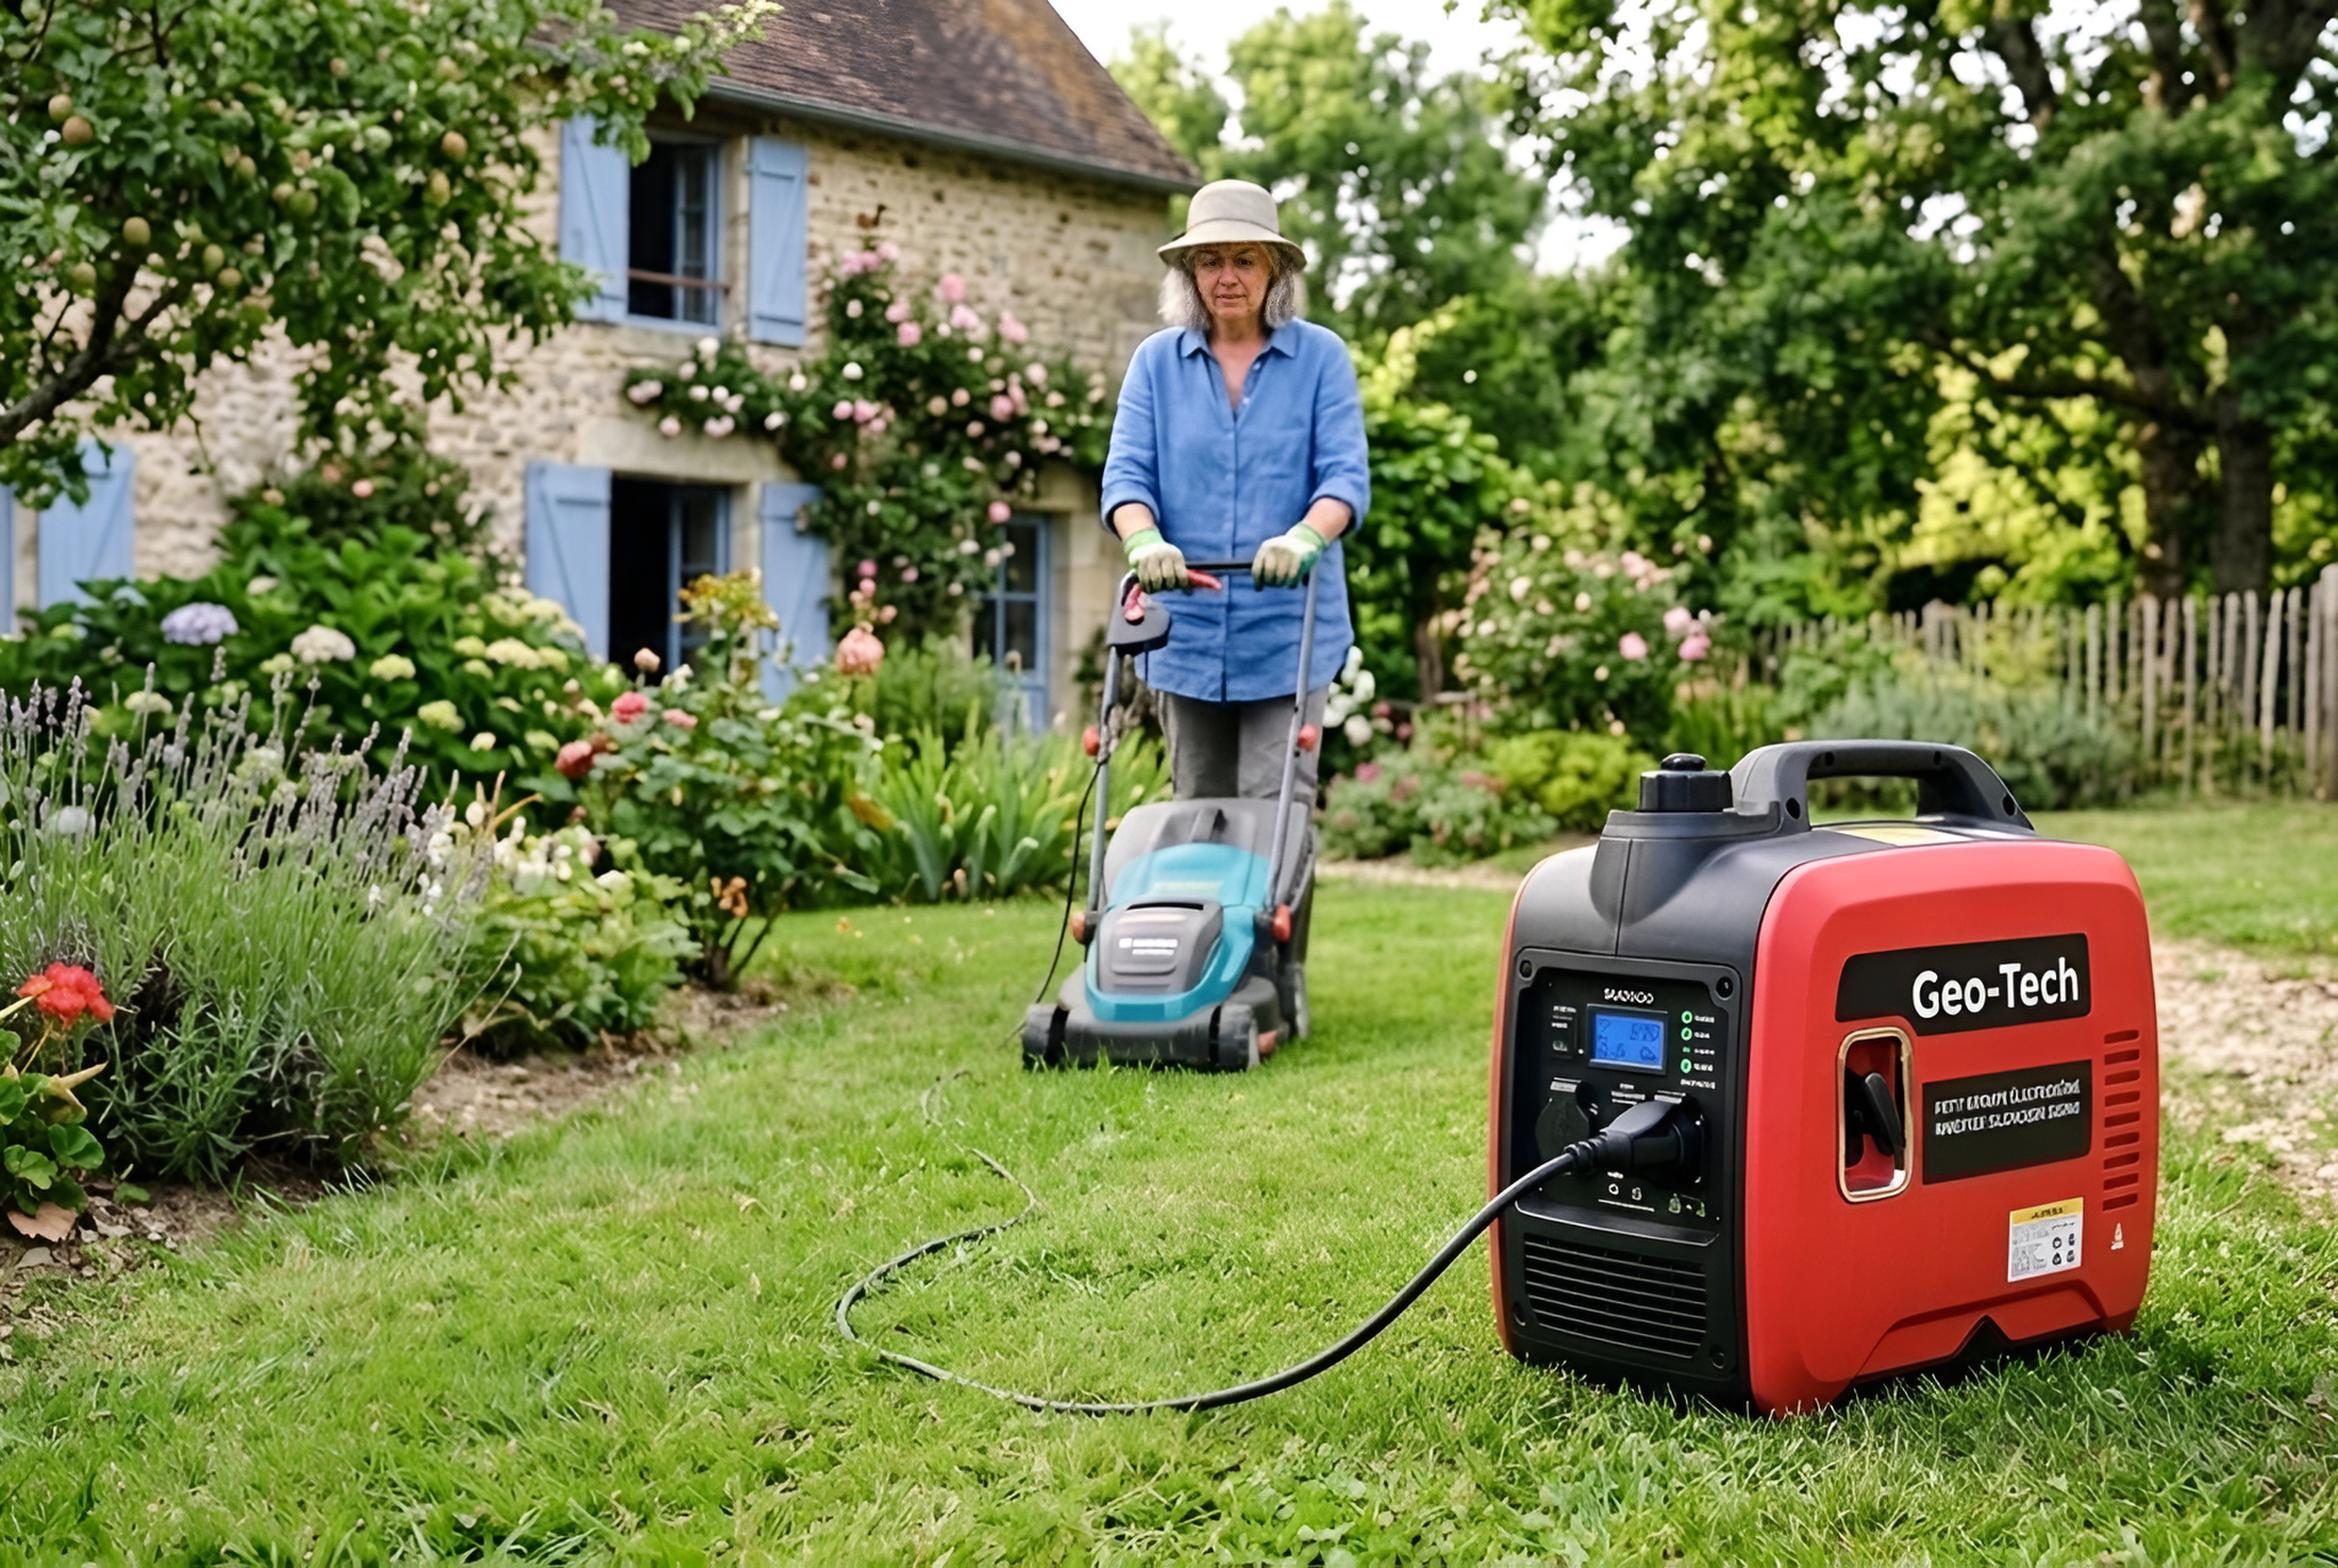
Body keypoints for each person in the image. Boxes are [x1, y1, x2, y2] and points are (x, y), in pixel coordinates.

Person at [1099, 178, 1369, 810]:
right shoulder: (1155, 362)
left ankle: (1271, 915)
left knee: (1276, 813)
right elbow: (1127, 477)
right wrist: (1144, 539)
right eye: (1210, 260)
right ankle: (1199, 916)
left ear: (1273, 270)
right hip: (1184, 631)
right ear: (1190, 273)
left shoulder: (1321, 358)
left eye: (1245, 259)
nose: (1227, 276)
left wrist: (1306, 535)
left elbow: (1343, 479)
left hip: (1287, 632)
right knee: (1195, 807)